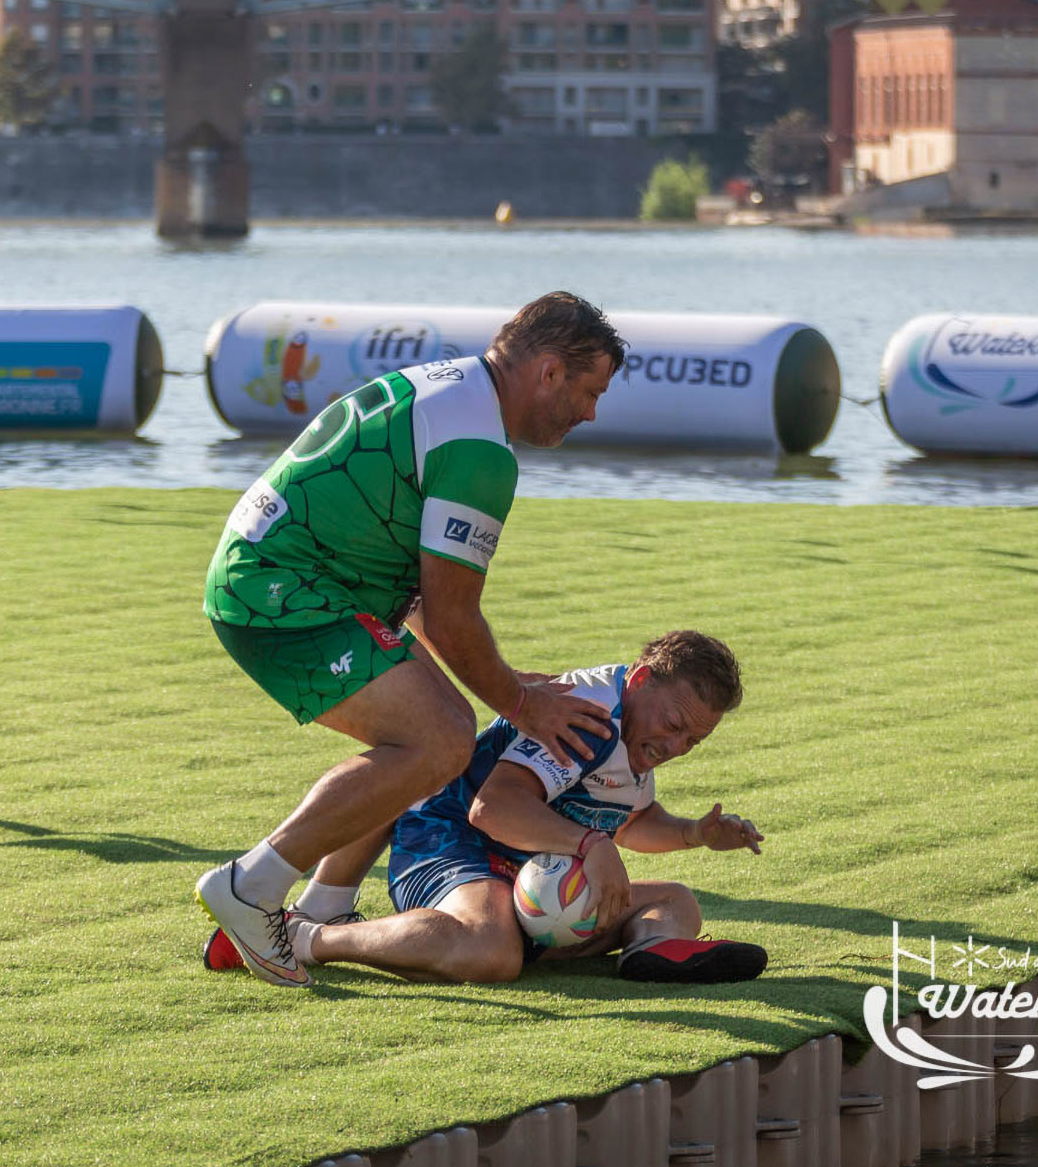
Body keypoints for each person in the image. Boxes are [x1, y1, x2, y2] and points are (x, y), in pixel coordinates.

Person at [197, 292, 626, 987]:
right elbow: (452, 617)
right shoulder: (480, 448)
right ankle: (251, 886)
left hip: (279, 576)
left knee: (438, 729)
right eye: (590, 391)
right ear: (549, 371)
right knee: (439, 740)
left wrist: (509, 684)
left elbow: (424, 597)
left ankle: (321, 907)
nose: (591, 413)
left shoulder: (454, 387)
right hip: (279, 592)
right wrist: (524, 704)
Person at [206, 630, 768, 985]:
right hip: (452, 838)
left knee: (675, 900)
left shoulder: (635, 729)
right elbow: (492, 808)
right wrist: (590, 845)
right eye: (674, 725)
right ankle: (304, 937)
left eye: (693, 741)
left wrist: (694, 833)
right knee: (493, 953)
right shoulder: (592, 715)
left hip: (525, 870)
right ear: (641, 680)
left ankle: (650, 952)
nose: (675, 747)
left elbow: (632, 821)